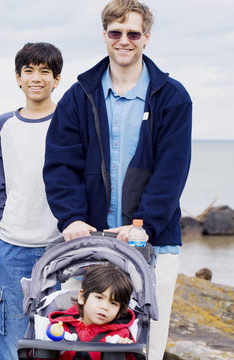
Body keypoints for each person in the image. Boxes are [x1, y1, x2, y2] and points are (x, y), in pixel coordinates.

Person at [43, 1, 192, 359]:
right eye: (116, 32)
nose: (124, 40)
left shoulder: (173, 98)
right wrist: (72, 218)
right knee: (82, 344)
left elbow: (172, 170)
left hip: (153, 244)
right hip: (90, 245)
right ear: (105, 35)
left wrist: (144, 224)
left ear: (146, 38)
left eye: (133, 33)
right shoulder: (78, 97)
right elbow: (60, 165)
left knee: (146, 346)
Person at [0, 42, 63, 359]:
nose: (36, 78)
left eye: (45, 71)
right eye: (29, 71)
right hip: (12, 245)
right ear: (18, 77)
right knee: (13, 340)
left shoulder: (68, 121)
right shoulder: (5, 124)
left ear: (57, 79)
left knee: (58, 337)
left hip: (59, 246)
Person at [48, 264, 135, 360]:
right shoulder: (60, 328)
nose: (105, 307)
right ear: (82, 297)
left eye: (113, 303)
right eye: (99, 297)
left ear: (119, 311)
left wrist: (127, 353)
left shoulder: (121, 335)